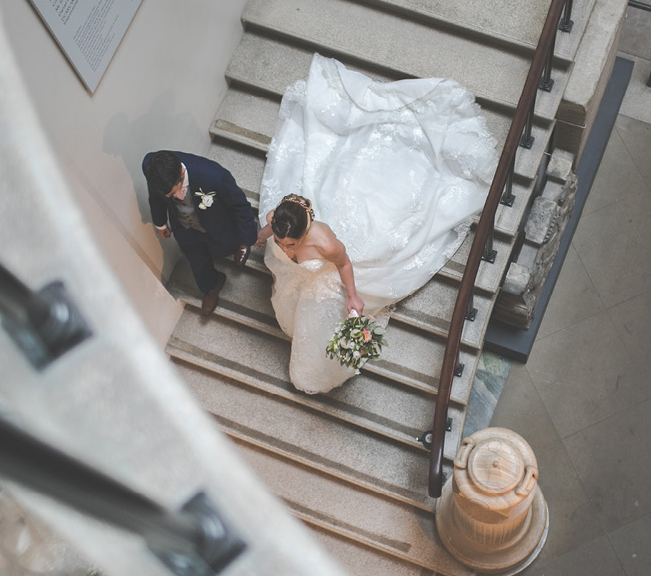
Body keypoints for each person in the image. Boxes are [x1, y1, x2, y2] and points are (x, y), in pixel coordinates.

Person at [256, 54, 497, 394]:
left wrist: (353, 297)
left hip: (326, 283)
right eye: (281, 242)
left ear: (305, 232)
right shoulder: (277, 218)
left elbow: (344, 264)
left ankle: (316, 370)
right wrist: (260, 238)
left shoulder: (325, 242)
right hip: (303, 278)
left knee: (319, 318)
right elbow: (268, 230)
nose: (284, 248)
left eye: (289, 244)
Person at [143, 150, 258, 314]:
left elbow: (240, 207)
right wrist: (160, 223)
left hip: (215, 222)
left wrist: (246, 240)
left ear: (182, 172)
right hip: (183, 226)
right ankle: (211, 285)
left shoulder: (214, 176)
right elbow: (155, 198)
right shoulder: (151, 167)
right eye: (171, 194)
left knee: (224, 244)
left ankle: (233, 245)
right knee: (195, 258)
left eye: (177, 189)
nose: (179, 196)